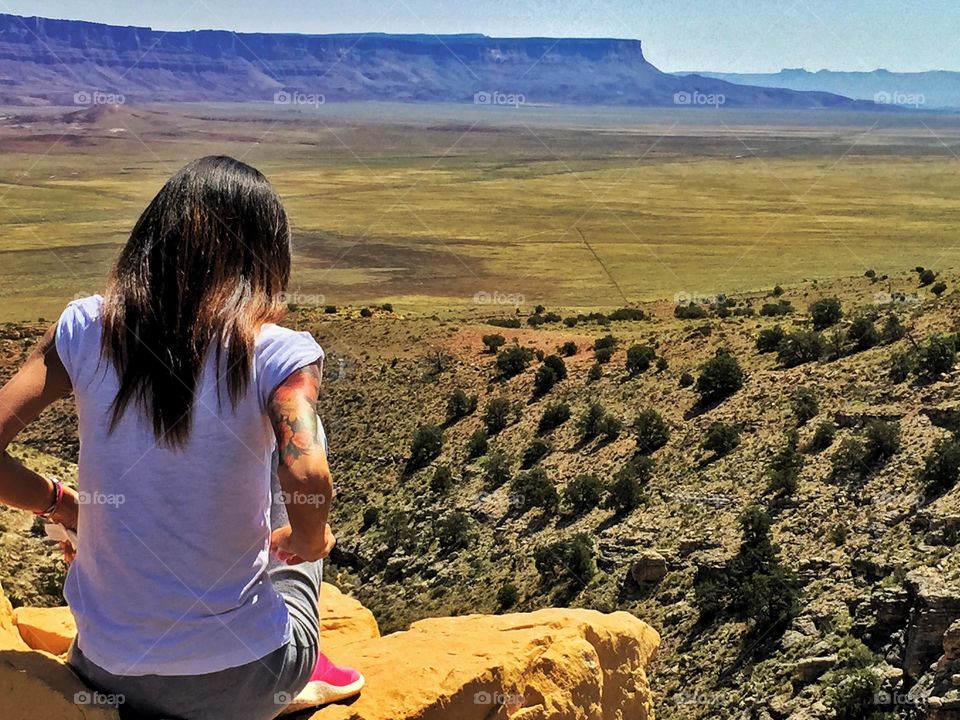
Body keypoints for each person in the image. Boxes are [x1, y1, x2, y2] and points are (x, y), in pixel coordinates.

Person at [0, 156, 363, 719]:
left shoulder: (84, 327)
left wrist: (62, 504)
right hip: (244, 680)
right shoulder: (278, 352)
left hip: (101, 667)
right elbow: (309, 472)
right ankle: (299, 677)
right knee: (276, 453)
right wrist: (310, 541)